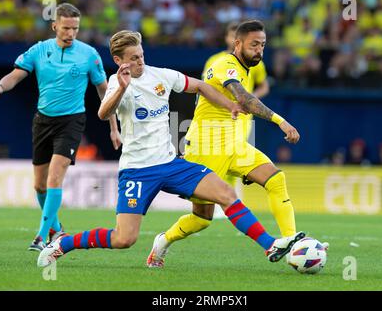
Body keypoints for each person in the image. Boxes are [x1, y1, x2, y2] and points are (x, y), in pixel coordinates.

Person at [37, 30, 305, 268]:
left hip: (170, 163)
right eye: (133, 58)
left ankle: (270, 245)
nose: (140, 61)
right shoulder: (117, 83)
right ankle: (64, 244)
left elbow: (199, 86)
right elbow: (103, 112)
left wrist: (230, 105)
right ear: (119, 61)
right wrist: (121, 88)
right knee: (124, 238)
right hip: (137, 171)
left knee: (225, 193)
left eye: (141, 55)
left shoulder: (161, 76)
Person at [147, 20, 307, 268]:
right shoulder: (223, 64)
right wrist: (280, 121)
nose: (259, 50)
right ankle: (163, 240)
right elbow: (244, 98)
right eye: (254, 45)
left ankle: (291, 243)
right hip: (205, 147)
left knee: (276, 180)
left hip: (234, 144)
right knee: (202, 218)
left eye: (263, 45)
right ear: (237, 43)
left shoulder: (249, 67)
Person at [0, 3, 122, 252]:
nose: (71, 33)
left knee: (54, 177)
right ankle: (58, 229)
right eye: (67, 28)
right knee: (39, 185)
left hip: (71, 121)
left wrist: (114, 128)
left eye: (76, 28)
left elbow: (105, 92)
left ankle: (41, 237)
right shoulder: (39, 51)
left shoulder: (88, 55)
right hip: (43, 120)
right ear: (54, 26)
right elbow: (16, 74)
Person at [202, 21, 270, 218]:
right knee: (219, 156)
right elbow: (206, 87)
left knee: (235, 153)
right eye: (232, 36)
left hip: (242, 116)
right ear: (229, 39)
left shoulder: (256, 62)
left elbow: (264, 86)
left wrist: (251, 99)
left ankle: (228, 200)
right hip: (219, 114)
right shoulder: (215, 60)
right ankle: (216, 198)